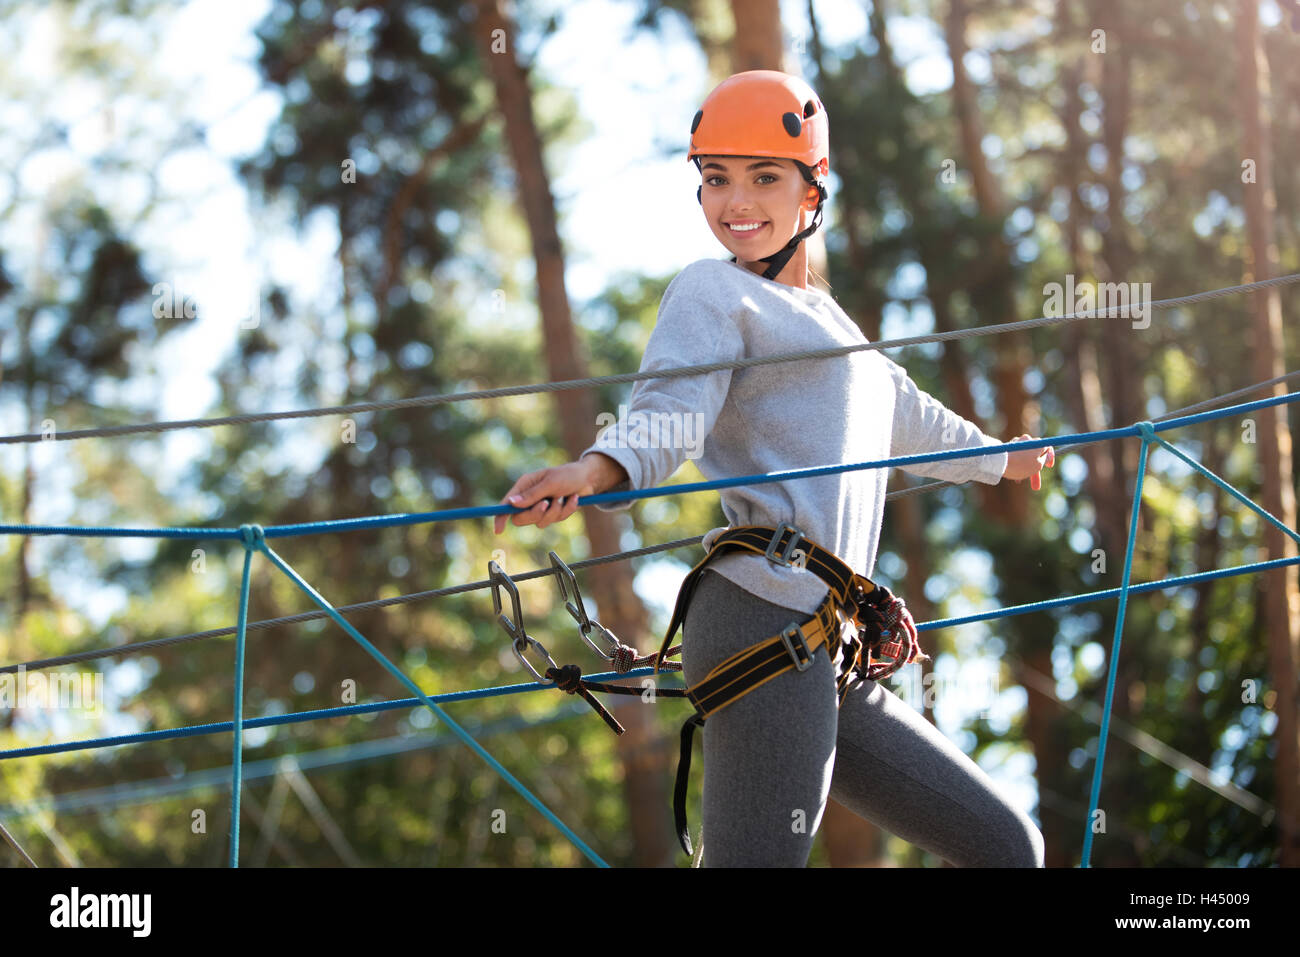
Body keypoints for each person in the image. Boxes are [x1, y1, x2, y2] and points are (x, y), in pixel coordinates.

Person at [494, 70, 1053, 867]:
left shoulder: (841, 333)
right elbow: (670, 410)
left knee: (1008, 845)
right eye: (716, 178)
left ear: (811, 190)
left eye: (764, 176)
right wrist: (597, 467)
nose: (736, 201)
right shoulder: (712, 292)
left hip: (830, 642)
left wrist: (1006, 460)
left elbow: (922, 424)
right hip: (762, 611)